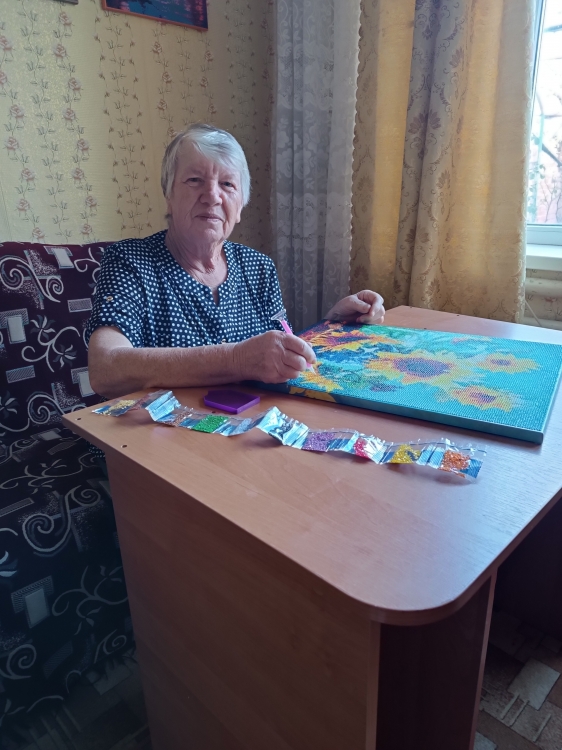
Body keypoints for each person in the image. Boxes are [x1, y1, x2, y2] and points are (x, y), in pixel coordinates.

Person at [87, 124, 385, 399]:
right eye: (194, 180)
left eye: (228, 184)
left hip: (249, 426)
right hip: (160, 432)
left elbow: (282, 351)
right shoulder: (130, 262)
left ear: (240, 205)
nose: (212, 196)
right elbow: (105, 369)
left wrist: (333, 326)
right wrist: (237, 360)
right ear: (169, 194)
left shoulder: (258, 267)